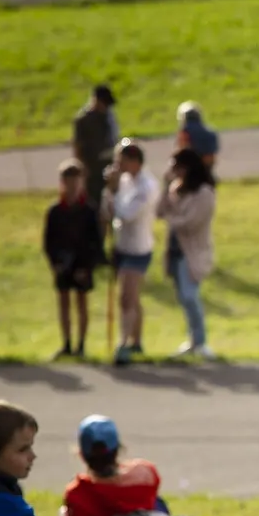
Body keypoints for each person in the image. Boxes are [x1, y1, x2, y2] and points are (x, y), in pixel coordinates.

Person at [59, 414, 164, 516]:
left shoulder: (77, 493)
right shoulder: (146, 473)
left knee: (63, 514)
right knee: (158, 501)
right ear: (117, 449)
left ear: (82, 455)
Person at [156, 148, 217, 360]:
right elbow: (159, 211)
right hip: (175, 250)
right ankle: (192, 340)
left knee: (190, 296)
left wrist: (171, 220)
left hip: (193, 252)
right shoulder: (175, 189)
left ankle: (201, 342)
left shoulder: (204, 193)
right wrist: (165, 187)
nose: (175, 172)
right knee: (183, 297)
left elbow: (191, 223)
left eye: (177, 168)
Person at [43, 160, 106, 360]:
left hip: (82, 263)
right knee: (63, 303)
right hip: (63, 263)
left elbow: (95, 241)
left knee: (81, 303)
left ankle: (81, 344)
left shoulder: (88, 210)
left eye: (76, 181)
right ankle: (66, 343)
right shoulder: (55, 210)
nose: (72, 186)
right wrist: (55, 262)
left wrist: (86, 266)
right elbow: (49, 240)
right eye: (68, 181)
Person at [105, 141, 158, 364]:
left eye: (121, 160)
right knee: (133, 297)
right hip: (122, 245)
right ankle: (136, 340)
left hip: (137, 249)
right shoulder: (126, 180)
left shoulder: (146, 187)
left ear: (134, 161)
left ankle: (124, 343)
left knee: (126, 298)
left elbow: (126, 214)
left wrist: (113, 190)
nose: (117, 165)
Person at [72, 85, 119, 209]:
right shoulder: (84, 120)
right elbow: (78, 146)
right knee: (95, 202)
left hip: (109, 163)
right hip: (93, 167)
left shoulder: (108, 116)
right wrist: (82, 168)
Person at [175, 102, 220, 166]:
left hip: (192, 165)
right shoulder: (209, 130)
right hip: (208, 163)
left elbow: (181, 148)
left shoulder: (185, 130)